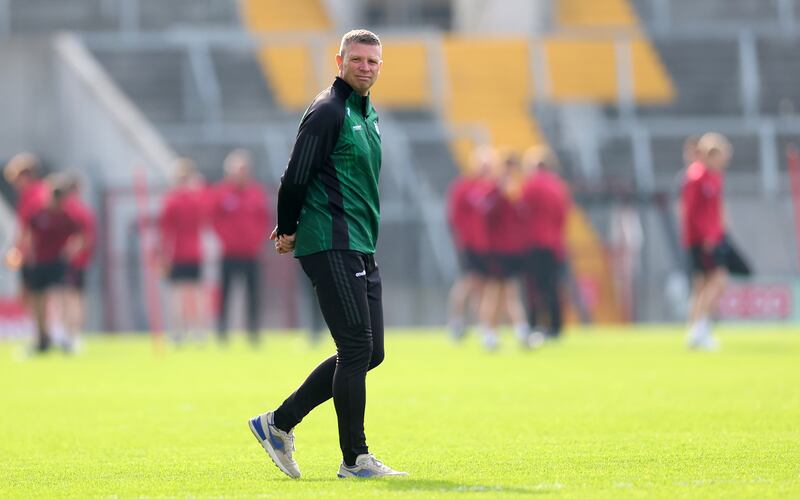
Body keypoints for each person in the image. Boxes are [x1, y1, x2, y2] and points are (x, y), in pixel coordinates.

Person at [248, 29, 407, 479]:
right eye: (357, 60)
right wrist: (288, 228)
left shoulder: (367, 113)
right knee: (355, 347)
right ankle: (355, 459)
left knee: (370, 352)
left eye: (372, 61)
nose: (365, 68)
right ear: (339, 61)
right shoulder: (328, 110)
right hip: (331, 241)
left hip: (360, 242)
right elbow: (295, 176)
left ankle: (278, 423)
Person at [16, 174, 84, 353]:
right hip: (38, 262)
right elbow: (27, 233)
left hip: (57, 263)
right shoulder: (37, 213)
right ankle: (42, 338)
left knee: (61, 296)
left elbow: (79, 236)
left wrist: (69, 252)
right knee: (37, 300)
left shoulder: (66, 216)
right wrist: (25, 253)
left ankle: (65, 336)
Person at [210, 150, 270, 345]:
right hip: (229, 253)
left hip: (251, 253)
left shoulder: (256, 192)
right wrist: (226, 240)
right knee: (225, 293)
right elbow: (214, 219)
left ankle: (253, 331)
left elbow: (263, 219)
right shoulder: (221, 192)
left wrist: (256, 240)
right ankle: (222, 331)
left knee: (253, 293)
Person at [475, 149, 531, 350]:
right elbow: (485, 211)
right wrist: (501, 193)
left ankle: (494, 332)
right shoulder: (494, 190)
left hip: (511, 249)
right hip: (498, 250)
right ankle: (506, 331)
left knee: (504, 292)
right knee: (499, 291)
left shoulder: (516, 191)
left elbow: (521, 218)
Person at [680, 132, 732, 350]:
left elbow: (715, 211)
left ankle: (696, 330)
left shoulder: (713, 177)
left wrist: (721, 231)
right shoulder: (697, 177)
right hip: (702, 241)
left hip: (711, 238)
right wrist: (705, 236)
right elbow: (690, 212)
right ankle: (699, 329)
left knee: (702, 286)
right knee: (718, 281)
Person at [520, 146, 571, 339]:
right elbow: (563, 215)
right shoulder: (559, 186)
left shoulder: (531, 185)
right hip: (554, 243)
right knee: (552, 286)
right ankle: (556, 326)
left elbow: (521, 211)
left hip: (533, 242)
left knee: (533, 288)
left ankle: (534, 323)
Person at [445, 146, 493, 341]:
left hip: (485, 245)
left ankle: (480, 323)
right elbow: (454, 215)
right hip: (469, 243)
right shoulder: (463, 187)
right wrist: (463, 237)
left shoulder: (489, 188)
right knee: (468, 282)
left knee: (481, 285)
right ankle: (456, 321)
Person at [159, 158, 208, 345]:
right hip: (194, 251)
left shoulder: (172, 200)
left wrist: (163, 254)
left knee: (178, 294)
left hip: (178, 252)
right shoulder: (197, 197)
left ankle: (179, 332)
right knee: (195, 294)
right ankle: (198, 331)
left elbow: (166, 230)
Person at [59, 173, 96, 353]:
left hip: (69, 261)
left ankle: (70, 335)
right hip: (81, 261)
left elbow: (82, 237)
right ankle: (74, 335)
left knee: (69, 298)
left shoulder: (67, 208)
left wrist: (67, 252)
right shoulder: (83, 209)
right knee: (77, 298)